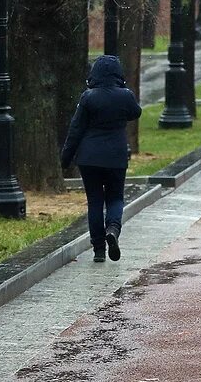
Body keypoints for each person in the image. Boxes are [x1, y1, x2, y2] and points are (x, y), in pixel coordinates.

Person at [60, 55, 142, 263]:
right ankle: (113, 229)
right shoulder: (126, 95)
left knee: (95, 201)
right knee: (115, 197)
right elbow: (136, 112)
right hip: (116, 156)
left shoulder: (88, 97)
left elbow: (75, 129)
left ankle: (98, 250)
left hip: (89, 157)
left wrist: (65, 158)